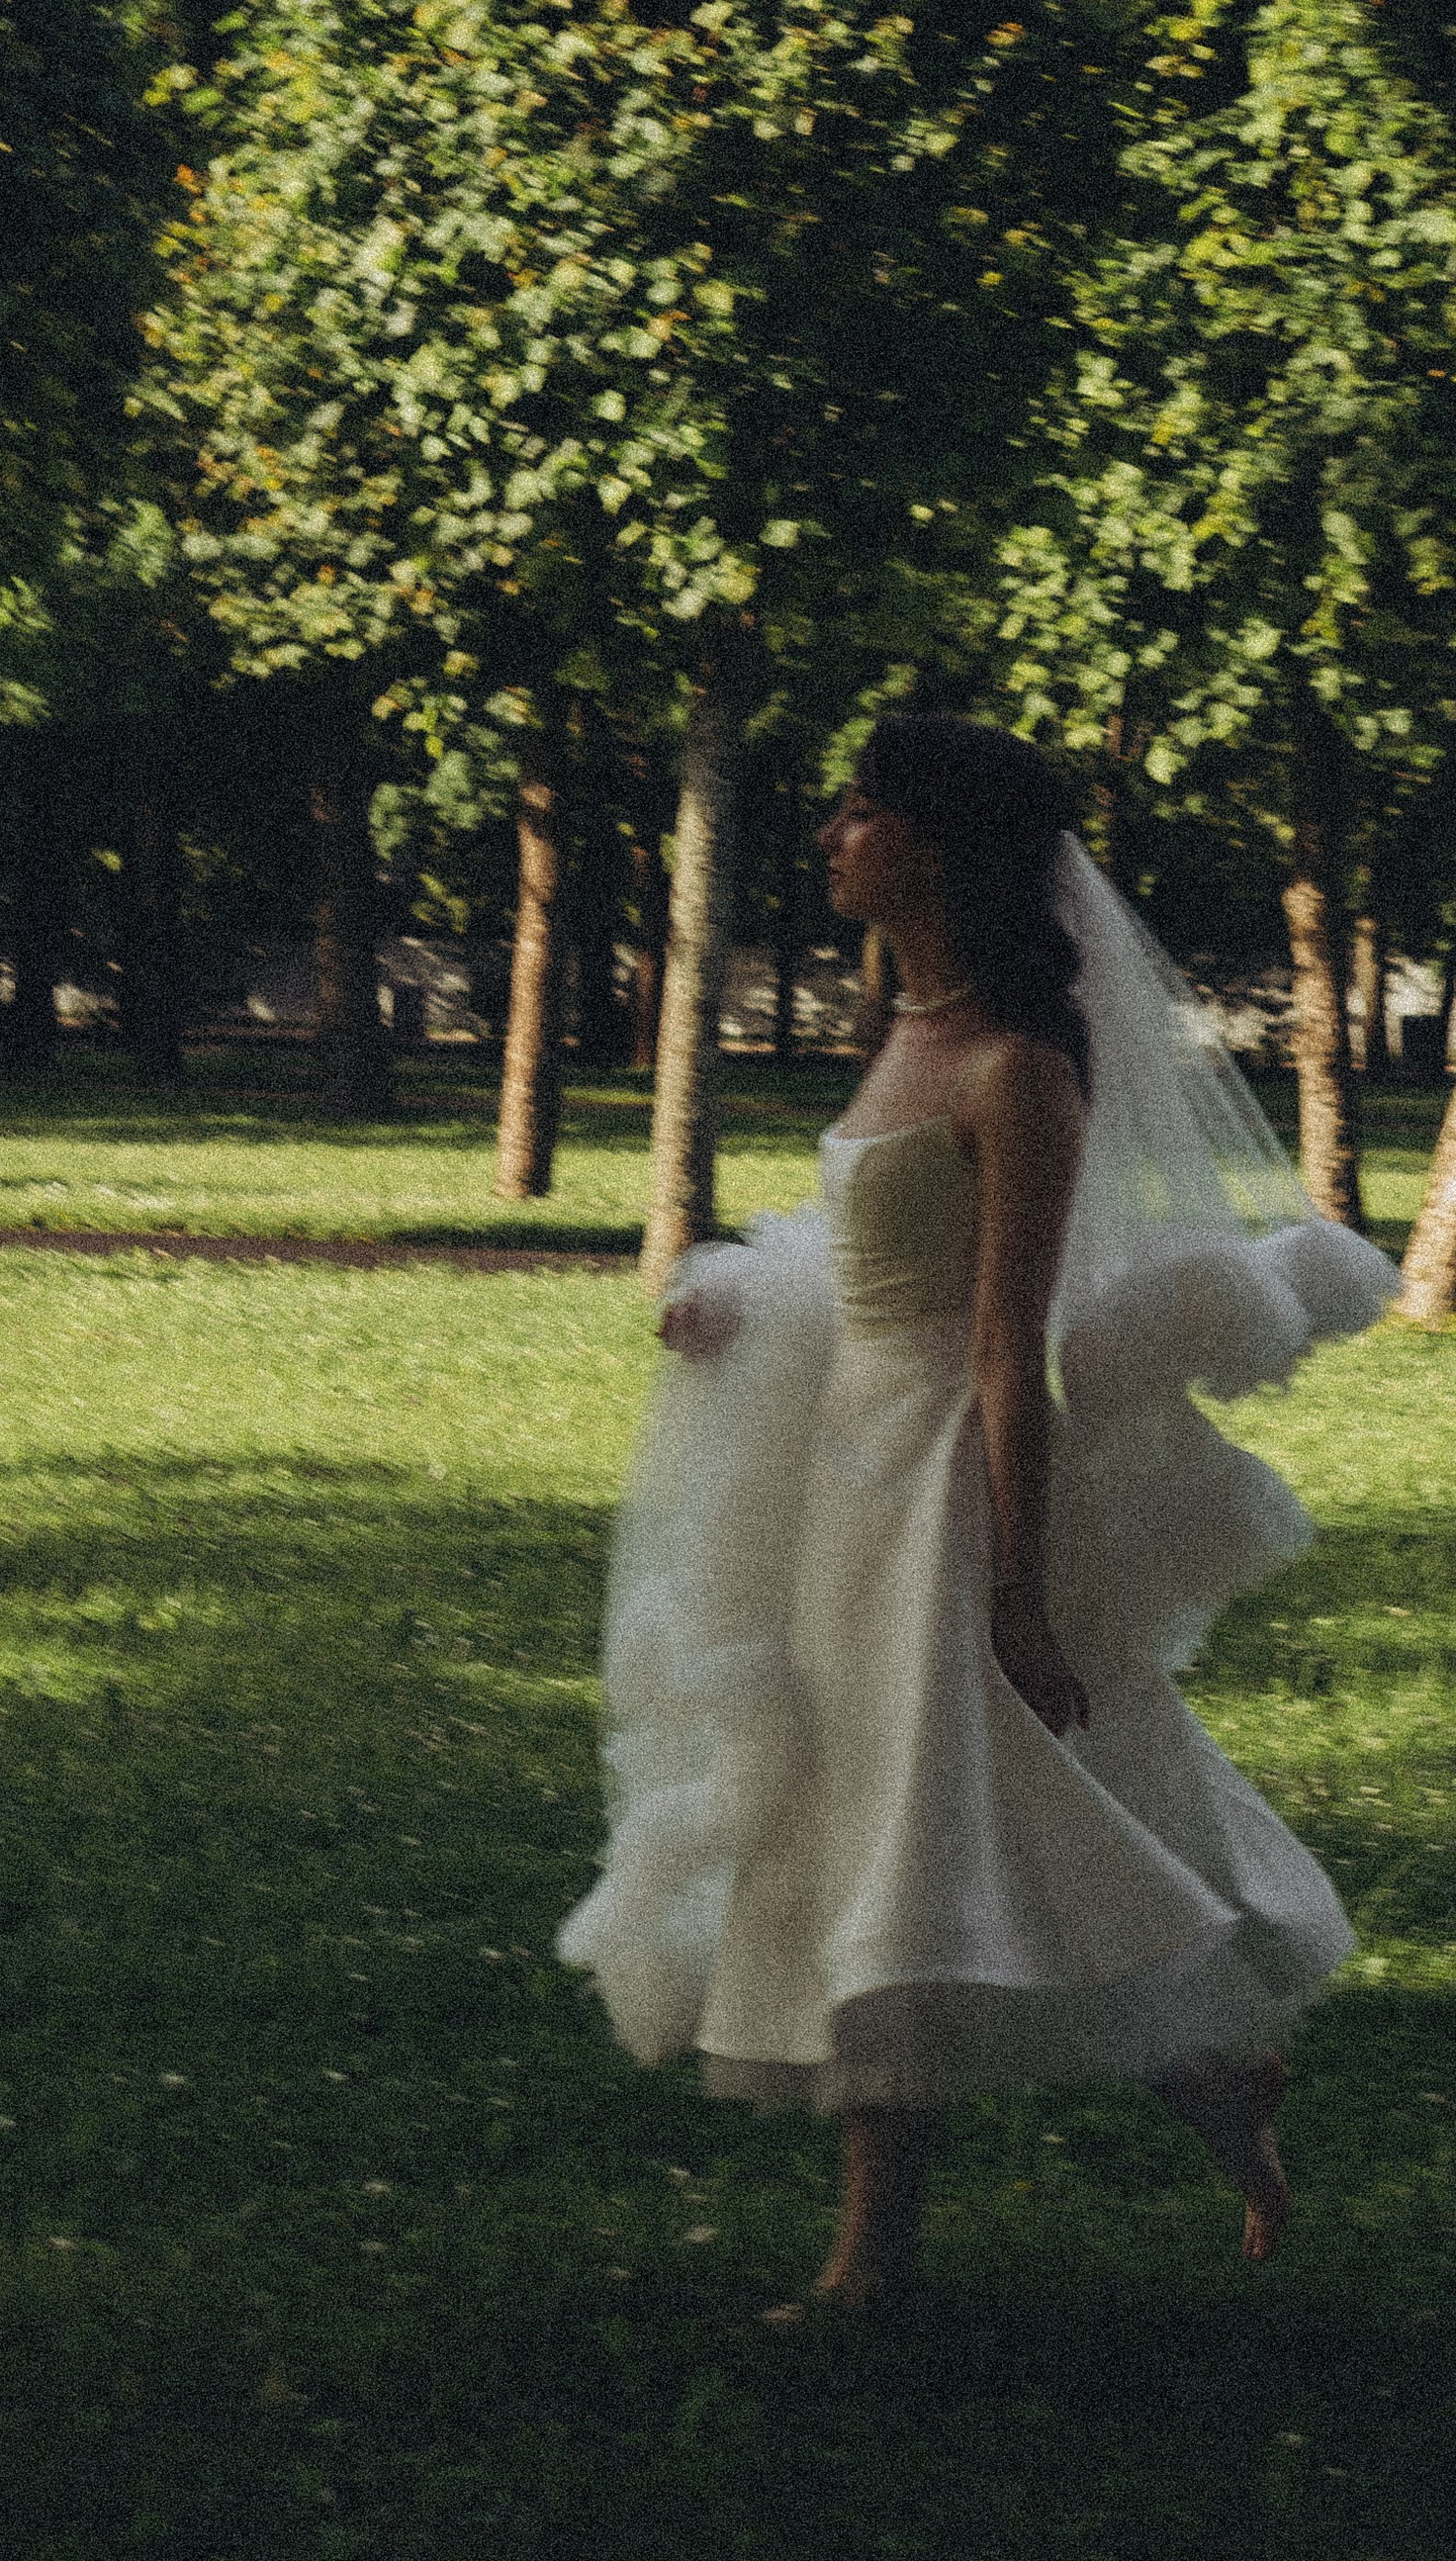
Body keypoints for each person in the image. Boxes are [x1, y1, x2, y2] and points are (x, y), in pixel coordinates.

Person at [558, 714, 1398, 2313]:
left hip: (937, 1487)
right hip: (834, 1473)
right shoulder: (902, 1028)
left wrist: (1018, 1583)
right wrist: (742, 1299)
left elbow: (1005, 1341)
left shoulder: (1019, 1069)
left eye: (864, 808)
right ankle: (1184, 2095)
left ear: (935, 848)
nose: (833, 829)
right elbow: (868, 1253)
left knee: (943, 1820)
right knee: (882, 1819)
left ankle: (921, 2232)